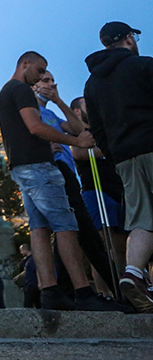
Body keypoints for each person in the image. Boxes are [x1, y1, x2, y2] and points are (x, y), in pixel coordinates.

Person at [0, 51, 118, 311]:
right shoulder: (21, 90)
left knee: (39, 228)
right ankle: (83, 291)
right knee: (66, 226)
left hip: (22, 167)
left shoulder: (7, 91)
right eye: (40, 71)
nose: (42, 77)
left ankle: (50, 290)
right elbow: (35, 127)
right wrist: (77, 142)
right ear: (25, 64)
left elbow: (66, 126)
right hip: (39, 167)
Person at [84, 22, 153, 312]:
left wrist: (114, 154)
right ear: (128, 39)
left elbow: (96, 129)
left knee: (141, 219)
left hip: (124, 157)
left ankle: (133, 272)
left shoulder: (92, 84)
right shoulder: (142, 66)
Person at [34, 70, 117, 297]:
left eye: (53, 79)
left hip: (68, 177)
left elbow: (80, 130)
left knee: (71, 233)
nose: (51, 83)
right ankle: (104, 290)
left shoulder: (50, 112)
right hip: (52, 175)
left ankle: (65, 289)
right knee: (82, 234)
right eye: (45, 80)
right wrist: (42, 150)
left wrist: (58, 100)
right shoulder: (30, 112)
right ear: (34, 85)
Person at [69, 95, 128, 291]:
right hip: (96, 191)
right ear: (78, 111)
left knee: (120, 248)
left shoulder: (103, 131)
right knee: (103, 246)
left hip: (117, 190)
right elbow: (78, 152)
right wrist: (111, 150)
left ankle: (124, 292)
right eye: (87, 104)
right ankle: (105, 293)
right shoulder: (80, 133)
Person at [15, 243, 40, 308]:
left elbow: (36, 270)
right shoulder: (28, 259)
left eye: (21, 250)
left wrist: (18, 276)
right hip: (31, 283)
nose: (21, 252)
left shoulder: (31, 259)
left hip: (32, 283)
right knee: (37, 302)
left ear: (25, 250)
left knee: (28, 304)